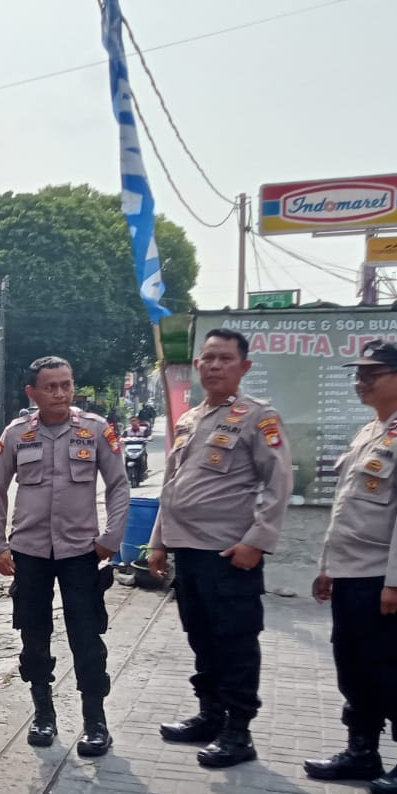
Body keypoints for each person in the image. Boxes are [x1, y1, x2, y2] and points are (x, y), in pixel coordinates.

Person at [307, 341, 397, 794]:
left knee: (391, 670)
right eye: (359, 371)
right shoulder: (372, 431)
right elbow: (348, 510)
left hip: (388, 579)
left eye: (374, 372)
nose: (361, 379)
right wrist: (329, 567)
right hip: (353, 573)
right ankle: (363, 751)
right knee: (353, 667)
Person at [148, 328, 294, 768]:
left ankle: (239, 732)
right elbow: (172, 488)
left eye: (224, 358)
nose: (214, 366)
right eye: (207, 358)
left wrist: (257, 542)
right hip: (188, 553)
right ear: (197, 366)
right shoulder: (191, 419)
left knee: (235, 642)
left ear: (243, 367)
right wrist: (158, 543)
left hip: (230, 555)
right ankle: (210, 715)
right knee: (202, 639)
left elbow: (279, 481)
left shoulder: (257, 417)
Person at [0, 357, 130, 755]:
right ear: (32, 393)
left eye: (66, 385)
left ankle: (95, 721)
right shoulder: (16, 434)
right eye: (50, 387)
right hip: (29, 553)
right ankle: (43, 713)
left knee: (86, 636)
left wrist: (112, 538)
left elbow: (118, 485)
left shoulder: (96, 430)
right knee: (34, 636)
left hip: (81, 552)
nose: (61, 393)